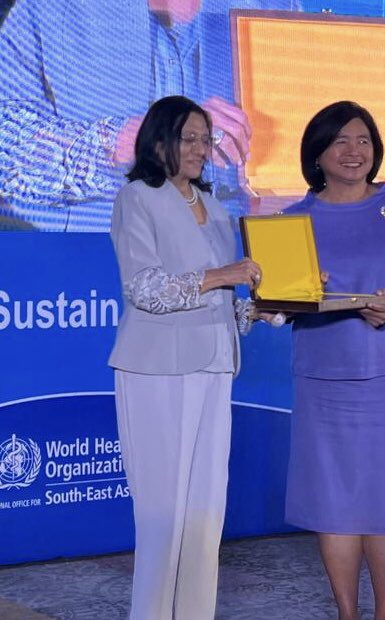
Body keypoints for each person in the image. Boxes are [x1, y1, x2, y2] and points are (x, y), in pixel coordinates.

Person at [283, 101, 385, 620]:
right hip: (324, 375)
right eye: (340, 141)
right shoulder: (293, 220)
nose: (353, 151)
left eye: (363, 141)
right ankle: (347, 613)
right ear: (317, 153)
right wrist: (289, 294)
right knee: (334, 501)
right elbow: (279, 303)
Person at [108, 95, 263, 620]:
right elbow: (146, 289)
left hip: (214, 365)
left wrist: (264, 307)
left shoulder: (215, 207)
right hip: (156, 367)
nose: (201, 149)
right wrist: (224, 275)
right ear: (158, 142)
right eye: (188, 138)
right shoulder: (137, 198)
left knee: (205, 514)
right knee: (163, 515)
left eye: (205, 139)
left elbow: (219, 300)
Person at [0, 0, 299, 231]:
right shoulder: (46, 9)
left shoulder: (277, 8)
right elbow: (8, 156)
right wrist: (138, 138)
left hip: (234, 267)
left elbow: (295, 174)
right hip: (91, 274)